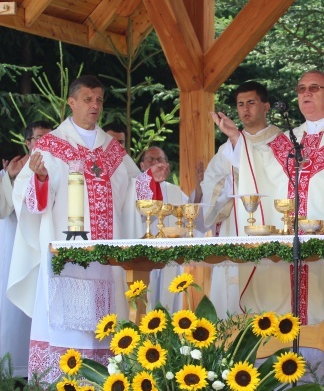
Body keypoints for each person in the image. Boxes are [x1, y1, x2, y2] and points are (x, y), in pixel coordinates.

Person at [7, 75, 169, 382]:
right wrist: (39, 178)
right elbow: (30, 202)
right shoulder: (52, 145)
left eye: (99, 101)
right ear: (72, 102)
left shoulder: (113, 151)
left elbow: (132, 193)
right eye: (87, 100)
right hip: (68, 262)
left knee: (108, 336)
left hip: (109, 262)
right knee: (68, 335)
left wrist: (150, 179)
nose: (94, 106)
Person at [213, 70, 324, 326]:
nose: (306, 93)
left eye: (314, 88)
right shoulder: (285, 140)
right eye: (301, 89)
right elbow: (257, 164)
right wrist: (235, 137)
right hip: (287, 251)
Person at [0, 121, 52, 378]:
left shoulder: (58, 167)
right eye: (39, 138)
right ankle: (13, 373)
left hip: (47, 253)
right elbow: (3, 209)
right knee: (14, 318)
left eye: (48, 137)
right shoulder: (16, 170)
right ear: (28, 143)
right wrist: (10, 177)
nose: (43, 143)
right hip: (16, 253)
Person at [201, 81, 281, 237]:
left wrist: (238, 143)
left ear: (266, 107)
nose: (245, 109)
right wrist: (230, 184)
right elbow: (210, 181)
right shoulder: (227, 147)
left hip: (270, 221)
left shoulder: (280, 142)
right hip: (233, 223)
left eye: (251, 103)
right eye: (240, 104)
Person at [139, 146, 189, 312]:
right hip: (145, 255)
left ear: (167, 165)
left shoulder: (175, 192)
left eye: (160, 159)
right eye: (150, 160)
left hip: (171, 257)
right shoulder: (135, 188)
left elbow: (191, 218)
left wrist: (200, 189)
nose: (156, 163)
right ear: (141, 166)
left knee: (171, 307)